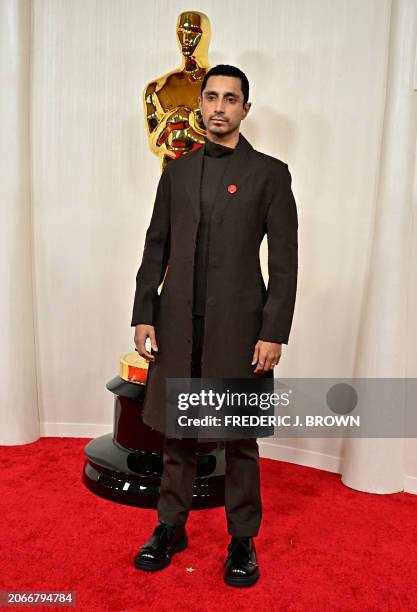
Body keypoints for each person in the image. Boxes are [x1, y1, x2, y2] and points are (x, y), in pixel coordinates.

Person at [131, 64, 298, 587]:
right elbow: (155, 245)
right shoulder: (176, 172)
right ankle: (170, 527)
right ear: (199, 104)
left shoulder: (270, 174)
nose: (219, 107)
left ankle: (242, 539)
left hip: (241, 329)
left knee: (240, 439)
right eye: (211, 97)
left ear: (245, 109)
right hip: (179, 323)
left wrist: (273, 331)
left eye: (230, 99)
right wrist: (143, 312)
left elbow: (286, 264)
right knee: (177, 435)